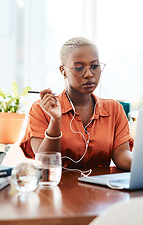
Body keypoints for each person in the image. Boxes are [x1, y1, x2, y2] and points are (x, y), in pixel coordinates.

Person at [20, 37, 133, 172]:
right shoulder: (40, 109)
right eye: (79, 68)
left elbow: (121, 155)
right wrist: (55, 121)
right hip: (58, 190)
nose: (89, 74)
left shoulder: (114, 109)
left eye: (95, 66)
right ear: (63, 71)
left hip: (102, 191)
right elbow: (45, 164)